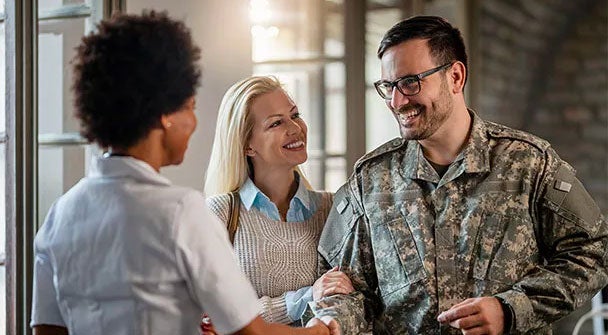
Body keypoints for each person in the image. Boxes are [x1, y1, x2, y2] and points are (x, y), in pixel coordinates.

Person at [30, 11, 336, 335]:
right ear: (165, 115)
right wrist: (318, 331)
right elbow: (250, 332)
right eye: (189, 106)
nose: (194, 122)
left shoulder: (60, 214)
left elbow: (46, 330)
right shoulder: (181, 211)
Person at [310, 15, 608, 335]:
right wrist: (332, 321)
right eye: (388, 86)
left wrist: (511, 309)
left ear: (455, 76)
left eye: (410, 82)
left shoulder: (530, 163)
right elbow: (343, 285)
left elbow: (593, 252)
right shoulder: (369, 180)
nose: (397, 101)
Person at [201, 76, 354, 334]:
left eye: (295, 115)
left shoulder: (334, 209)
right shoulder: (220, 212)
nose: (295, 128)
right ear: (247, 145)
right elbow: (214, 316)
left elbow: (348, 299)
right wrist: (304, 298)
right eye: (276, 123)